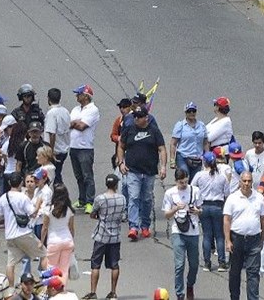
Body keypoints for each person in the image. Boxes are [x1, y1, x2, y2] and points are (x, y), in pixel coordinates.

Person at [117, 105, 167, 240]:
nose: (136, 119)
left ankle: (145, 225)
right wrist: (121, 162)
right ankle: (133, 227)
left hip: (149, 171)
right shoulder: (129, 129)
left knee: (146, 199)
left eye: (139, 117)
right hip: (133, 171)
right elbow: (121, 146)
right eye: (135, 117)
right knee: (133, 197)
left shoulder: (154, 130)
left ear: (146, 118)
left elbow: (162, 149)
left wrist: (163, 167)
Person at [223, 172, 264, 300]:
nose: (247, 184)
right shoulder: (232, 198)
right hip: (237, 239)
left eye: (249, 181)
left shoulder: (259, 198)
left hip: (254, 239)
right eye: (244, 181)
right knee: (235, 272)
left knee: (253, 273)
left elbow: (263, 218)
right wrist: (228, 240)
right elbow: (227, 219)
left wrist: (262, 238)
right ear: (240, 182)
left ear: (252, 182)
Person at [0, 171, 47, 289]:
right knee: (44, 253)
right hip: (23, 233)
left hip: (10, 235)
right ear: (21, 183)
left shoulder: (3, 198)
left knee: (10, 264)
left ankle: (10, 289)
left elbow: (0, 215)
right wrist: (38, 204)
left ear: (9, 182)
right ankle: (47, 283)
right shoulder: (22, 197)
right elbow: (32, 213)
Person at [163, 169, 202, 300]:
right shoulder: (170, 193)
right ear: (176, 181)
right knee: (179, 265)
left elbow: (201, 209)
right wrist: (175, 208)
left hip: (193, 231)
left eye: (185, 182)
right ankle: (180, 293)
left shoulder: (195, 190)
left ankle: (190, 285)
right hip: (178, 231)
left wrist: (197, 211)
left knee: (194, 264)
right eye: (181, 182)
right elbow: (166, 215)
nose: (184, 185)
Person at [88, 173, 125, 299]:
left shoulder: (100, 199)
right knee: (114, 265)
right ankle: (113, 292)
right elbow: (122, 215)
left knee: (95, 264)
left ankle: (93, 292)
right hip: (115, 236)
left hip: (101, 235)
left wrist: (100, 216)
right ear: (116, 185)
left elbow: (93, 214)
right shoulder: (122, 199)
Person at [192, 151, 229, 272]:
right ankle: (222, 263)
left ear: (204, 162)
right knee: (219, 235)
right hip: (218, 206)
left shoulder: (200, 175)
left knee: (207, 235)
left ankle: (207, 263)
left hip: (204, 206)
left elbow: (192, 188)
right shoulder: (222, 176)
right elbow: (227, 193)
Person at [69, 85, 100, 212]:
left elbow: (82, 126)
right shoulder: (75, 109)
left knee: (87, 176)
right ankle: (81, 199)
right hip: (73, 146)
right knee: (79, 176)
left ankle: (89, 201)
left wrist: (75, 123)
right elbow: (68, 124)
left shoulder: (93, 109)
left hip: (85, 148)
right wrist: (75, 122)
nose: (77, 96)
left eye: (79, 94)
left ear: (86, 96)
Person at [41, 184, 75, 275]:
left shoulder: (49, 209)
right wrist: (72, 241)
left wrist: (41, 242)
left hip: (53, 241)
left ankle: (52, 283)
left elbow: (45, 228)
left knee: (51, 267)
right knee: (64, 269)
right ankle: (62, 283)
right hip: (67, 241)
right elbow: (71, 228)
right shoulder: (69, 210)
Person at [170, 102, 207, 182]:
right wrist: (172, 160)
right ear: (185, 112)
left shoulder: (202, 125)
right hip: (183, 157)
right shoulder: (180, 125)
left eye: (193, 111)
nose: (191, 113)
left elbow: (205, 143)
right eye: (189, 111)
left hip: (197, 158)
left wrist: (207, 157)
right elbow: (173, 143)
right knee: (184, 177)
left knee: (194, 182)